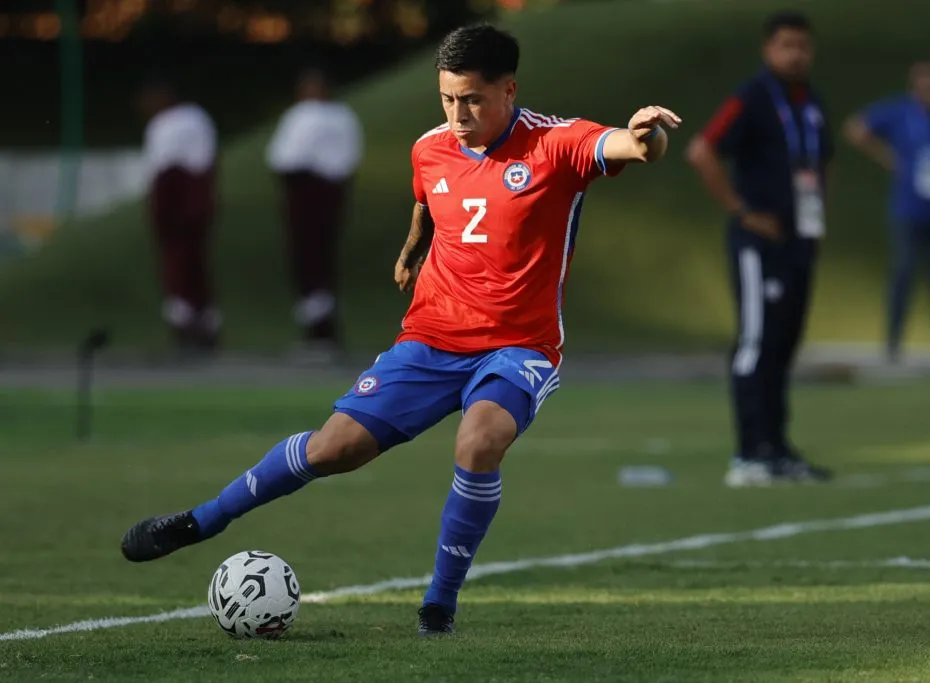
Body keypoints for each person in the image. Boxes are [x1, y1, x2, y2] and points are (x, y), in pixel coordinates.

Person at [120, 24, 680, 636]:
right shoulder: (431, 147)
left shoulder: (555, 143)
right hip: (431, 337)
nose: (458, 115)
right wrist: (412, 250)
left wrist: (646, 135)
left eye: (472, 100)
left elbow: (628, 148)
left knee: (478, 443)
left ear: (508, 89)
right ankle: (199, 522)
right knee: (333, 449)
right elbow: (427, 199)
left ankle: (438, 607)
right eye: (447, 99)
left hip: (519, 346)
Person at [686, 11, 833, 487]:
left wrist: (816, 217)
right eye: (786, 45)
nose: (796, 54)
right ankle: (749, 453)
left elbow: (820, 164)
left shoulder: (812, 103)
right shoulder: (752, 98)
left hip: (800, 239)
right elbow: (702, 149)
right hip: (759, 242)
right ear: (768, 49)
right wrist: (741, 209)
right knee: (756, 343)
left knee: (784, 344)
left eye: (803, 46)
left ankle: (777, 448)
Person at [844, 60, 930, 362]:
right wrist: (888, 158)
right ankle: (893, 341)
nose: (929, 90)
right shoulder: (899, 112)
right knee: (903, 271)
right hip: (909, 209)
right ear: (913, 87)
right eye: (923, 85)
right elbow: (856, 128)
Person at [266, 68, 364, 356]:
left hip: (310, 191)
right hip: (319, 191)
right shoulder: (339, 117)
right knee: (313, 260)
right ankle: (318, 324)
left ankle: (321, 328)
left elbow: (286, 157)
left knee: (313, 258)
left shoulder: (309, 116)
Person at [139, 78, 220, 354]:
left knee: (183, 265)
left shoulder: (177, 123)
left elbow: (168, 169)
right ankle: (197, 323)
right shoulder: (193, 119)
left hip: (181, 199)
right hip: (190, 201)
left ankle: (192, 327)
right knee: (185, 265)